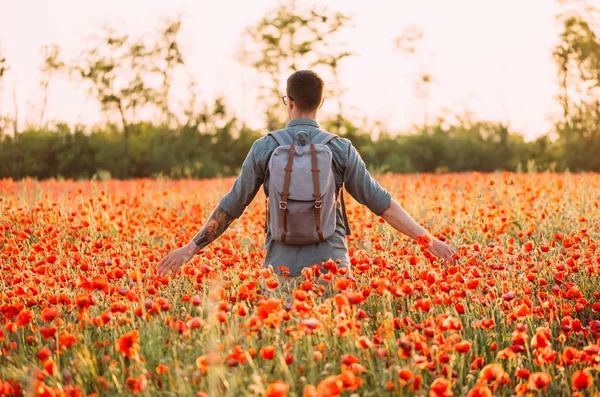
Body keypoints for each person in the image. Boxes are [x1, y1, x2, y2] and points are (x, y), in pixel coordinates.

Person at [156, 70, 456, 289]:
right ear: (320, 103)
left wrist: (191, 248)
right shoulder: (339, 148)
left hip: (280, 271)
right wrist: (429, 241)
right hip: (332, 268)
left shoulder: (266, 147)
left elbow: (231, 206)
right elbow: (383, 204)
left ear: (289, 101)